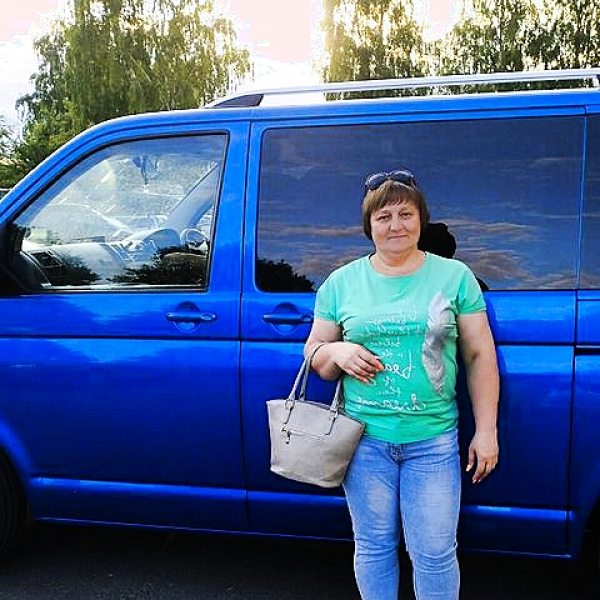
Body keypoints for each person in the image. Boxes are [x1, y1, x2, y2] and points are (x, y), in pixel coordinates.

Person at [304, 169, 499, 600]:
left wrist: (486, 430)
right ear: (369, 225)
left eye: (406, 214)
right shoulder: (341, 282)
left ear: (420, 220)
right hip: (364, 441)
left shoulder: (455, 277)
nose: (396, 225)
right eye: (384, 216)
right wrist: (337, 352)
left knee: (435, 553)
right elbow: (314, 354)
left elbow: (479, 356)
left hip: (433, 440)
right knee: (373, 547)